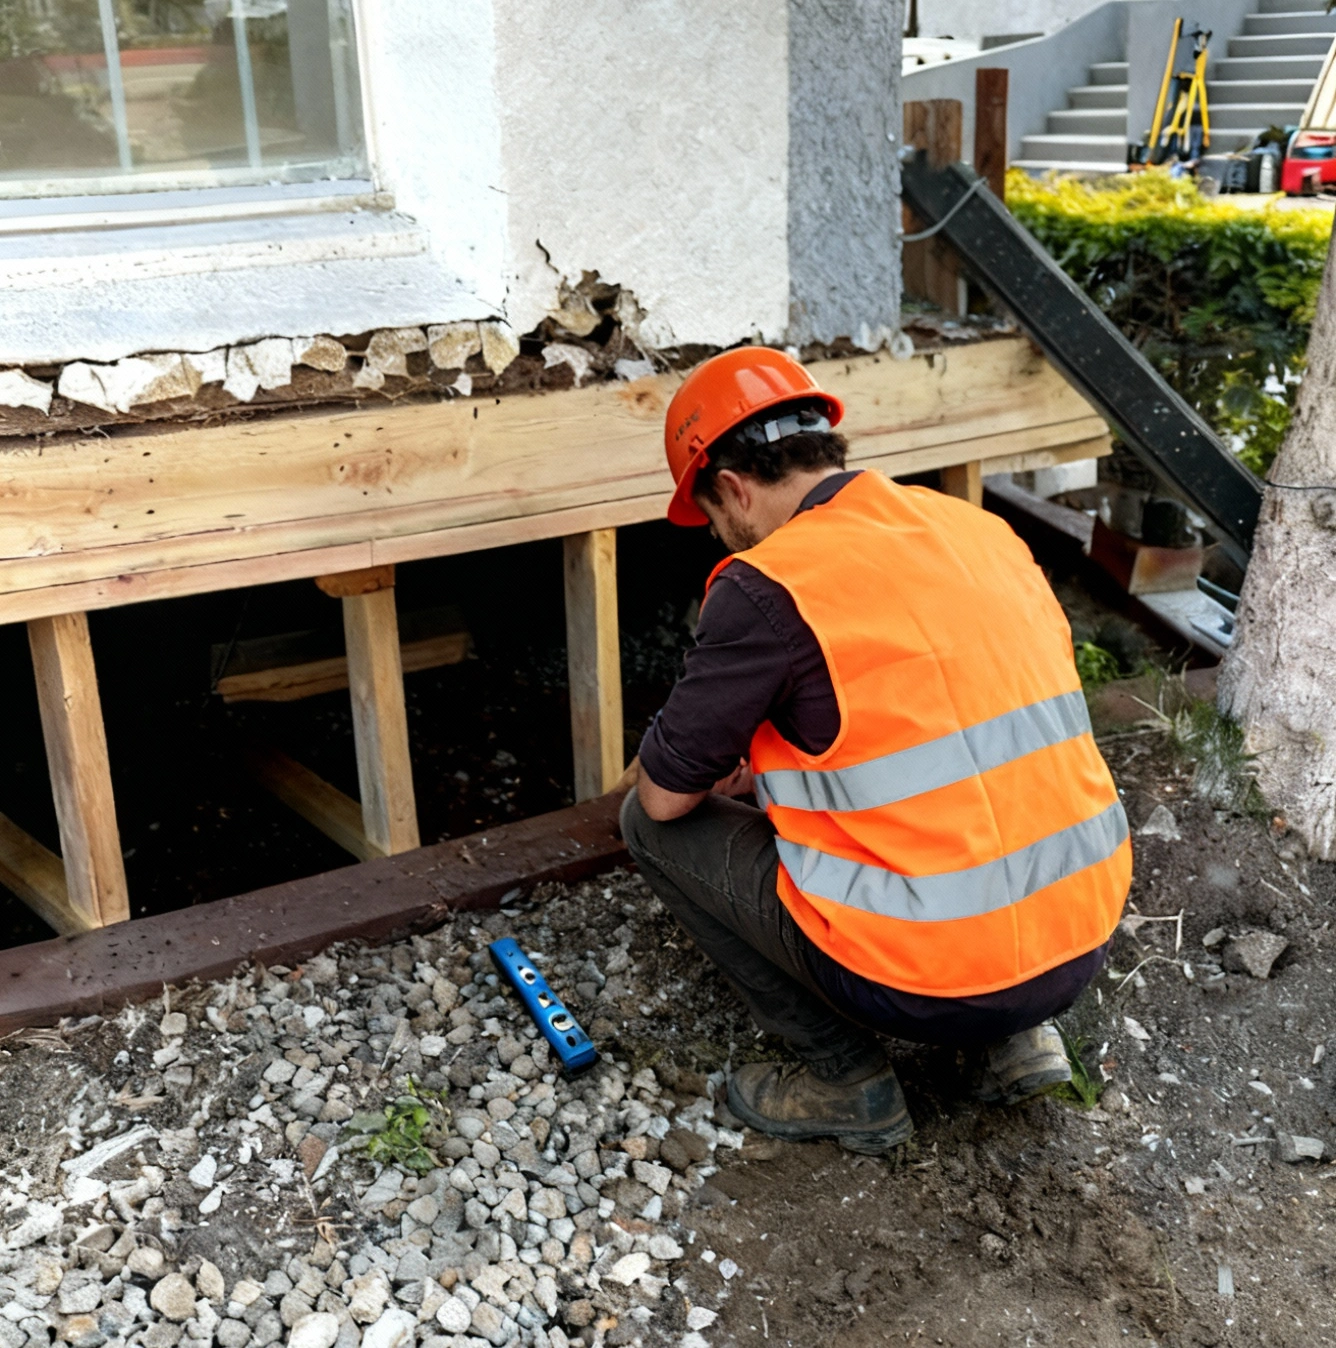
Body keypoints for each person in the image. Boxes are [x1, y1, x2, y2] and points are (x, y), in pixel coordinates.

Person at [619, 347, 1131, 1155]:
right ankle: (1016, 1041)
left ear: (734, 488)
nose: (720, 536)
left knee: (644, 825)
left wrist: (708, 762)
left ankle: (846, 1078)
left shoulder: (766, 585)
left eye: (713, 518)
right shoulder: (979, 531)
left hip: (925, 979)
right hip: (1077, 937)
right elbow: (954, 729)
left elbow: (663, 796)